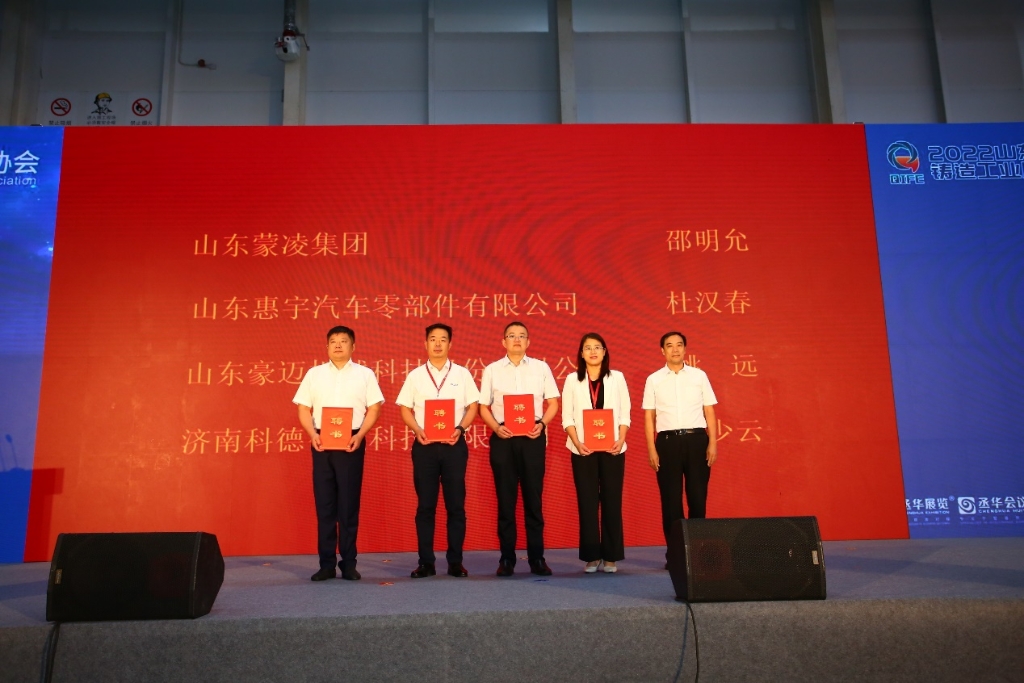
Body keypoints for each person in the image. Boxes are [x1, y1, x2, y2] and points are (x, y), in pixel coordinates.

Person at [294, 325, 385, 581]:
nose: (337, 345)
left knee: (348, 505)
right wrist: (312, 434)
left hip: (351, 442)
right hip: (322, 441)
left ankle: (349, 563)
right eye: (333, 341)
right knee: (325, 505)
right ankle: (326, 564)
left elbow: (375, 408)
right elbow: (303, 408)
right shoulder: (314, 374)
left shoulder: (365, 374)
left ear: (353, 346)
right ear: (326, 346)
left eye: (343, 341)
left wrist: (360, 435)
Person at [396, 323, 479, 578]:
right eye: (433, 339)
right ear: (426, 343)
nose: (438, 344)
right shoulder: (415, 376)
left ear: (450, 344)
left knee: (456, 506)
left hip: (454, 446)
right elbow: (404, 408)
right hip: (425, 447)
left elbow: (473, 406)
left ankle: (455, 562)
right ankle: (426, 563)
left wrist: (460, 428)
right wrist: (417, 430)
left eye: (443, 339)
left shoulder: (462, 374)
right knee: (425, 506)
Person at [479, 321, 559, 577]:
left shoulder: (541, 367)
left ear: (528, 342)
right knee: (506, 501)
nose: (517, 339)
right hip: (503, 437)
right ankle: (507, 559)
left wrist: (542, 424)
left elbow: (553, 403)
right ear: (503, 341)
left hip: (532, 437)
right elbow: (483, 406)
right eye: (511, 336)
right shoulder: (492, 370)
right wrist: (496, 427)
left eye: (522, 336)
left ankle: (537, 558)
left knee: (533, 501)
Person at [642, 332, 718, 566]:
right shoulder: (654, 379)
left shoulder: (699, 376)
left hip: (697, 440)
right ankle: (675, 554)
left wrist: (713, 443)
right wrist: (651, 449)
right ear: (662, 351)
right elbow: (649, 416)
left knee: (697, 498)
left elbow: (709, 411)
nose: (675, 349)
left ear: (685, 349)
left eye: (679, 345)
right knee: (671, 501)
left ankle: (697, 553)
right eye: (669, 346)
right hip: (667, 443)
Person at [561, 332, 630, 573]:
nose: (593, 351)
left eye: (597, 347)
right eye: (588, 348)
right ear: (581, 354)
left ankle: (611, 556)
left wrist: (620, 439)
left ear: (604, 352)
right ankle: (592, 556)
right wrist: (577, 442)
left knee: (612, 501)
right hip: (583, 450)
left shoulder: (617, 377)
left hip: (613, 449)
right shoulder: (572, 380)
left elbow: (625, 413)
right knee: (587, 503)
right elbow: (567, 417)